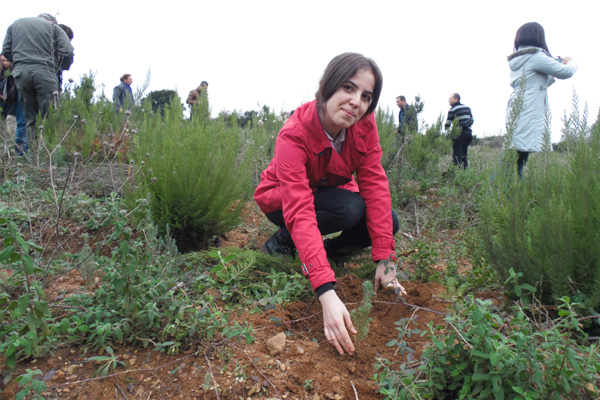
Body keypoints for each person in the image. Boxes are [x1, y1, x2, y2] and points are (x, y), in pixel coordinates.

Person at [254, 52, 406, 356]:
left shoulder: (364, 125)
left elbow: (374, 184)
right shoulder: (295, 133)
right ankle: (283, 241)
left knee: (389, 220)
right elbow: (298, 208)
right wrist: (325, 291)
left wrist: (386, 260)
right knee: (349, 209)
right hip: (282, 201)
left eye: (366, 96)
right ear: (327, 87)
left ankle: (327, 255)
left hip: (328, 194)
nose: (355, 102)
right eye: (348, 88)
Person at [506, 22, 577, 177]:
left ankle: (507, 195)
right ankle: (503, 195)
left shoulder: (519, 58)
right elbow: (565, 72)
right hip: (529, 110)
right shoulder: (536, 56)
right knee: (514, 160)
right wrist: (571, 61)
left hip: (518, 107)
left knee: (516, 157)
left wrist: (552, 71)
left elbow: (536, 83)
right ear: (538, 37)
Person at [1, 13, 74, 149]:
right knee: (49, 117)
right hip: (45, 72)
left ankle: (30, 154)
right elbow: (68, 51)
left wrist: (20, 62)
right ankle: (47, 153)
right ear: (52, 21)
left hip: (21, 73)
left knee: (29, 118)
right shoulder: (54, 28)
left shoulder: (16, 24)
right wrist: (59, 66)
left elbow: (5, 50)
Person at [1, 54, 27, 155]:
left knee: (14, 122)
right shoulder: (4, 74)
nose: (4, 62)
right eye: (2, 60)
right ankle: (14, 148)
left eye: (6, 60)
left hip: (14, 102)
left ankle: (17, 148)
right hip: (7, 104)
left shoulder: (13, 72)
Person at [444, 93, 474, 169]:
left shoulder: (453, 109)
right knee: (464, 154)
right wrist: (465, 125)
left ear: (456, 99)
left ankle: (456, 173)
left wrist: (447, 133)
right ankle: (465, 171)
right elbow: (472, 120)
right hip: (468, 133)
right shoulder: (467, 108)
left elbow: (448, 123)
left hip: (459, 134)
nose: (449, 100)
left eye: (450, 99)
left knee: (457, 155)